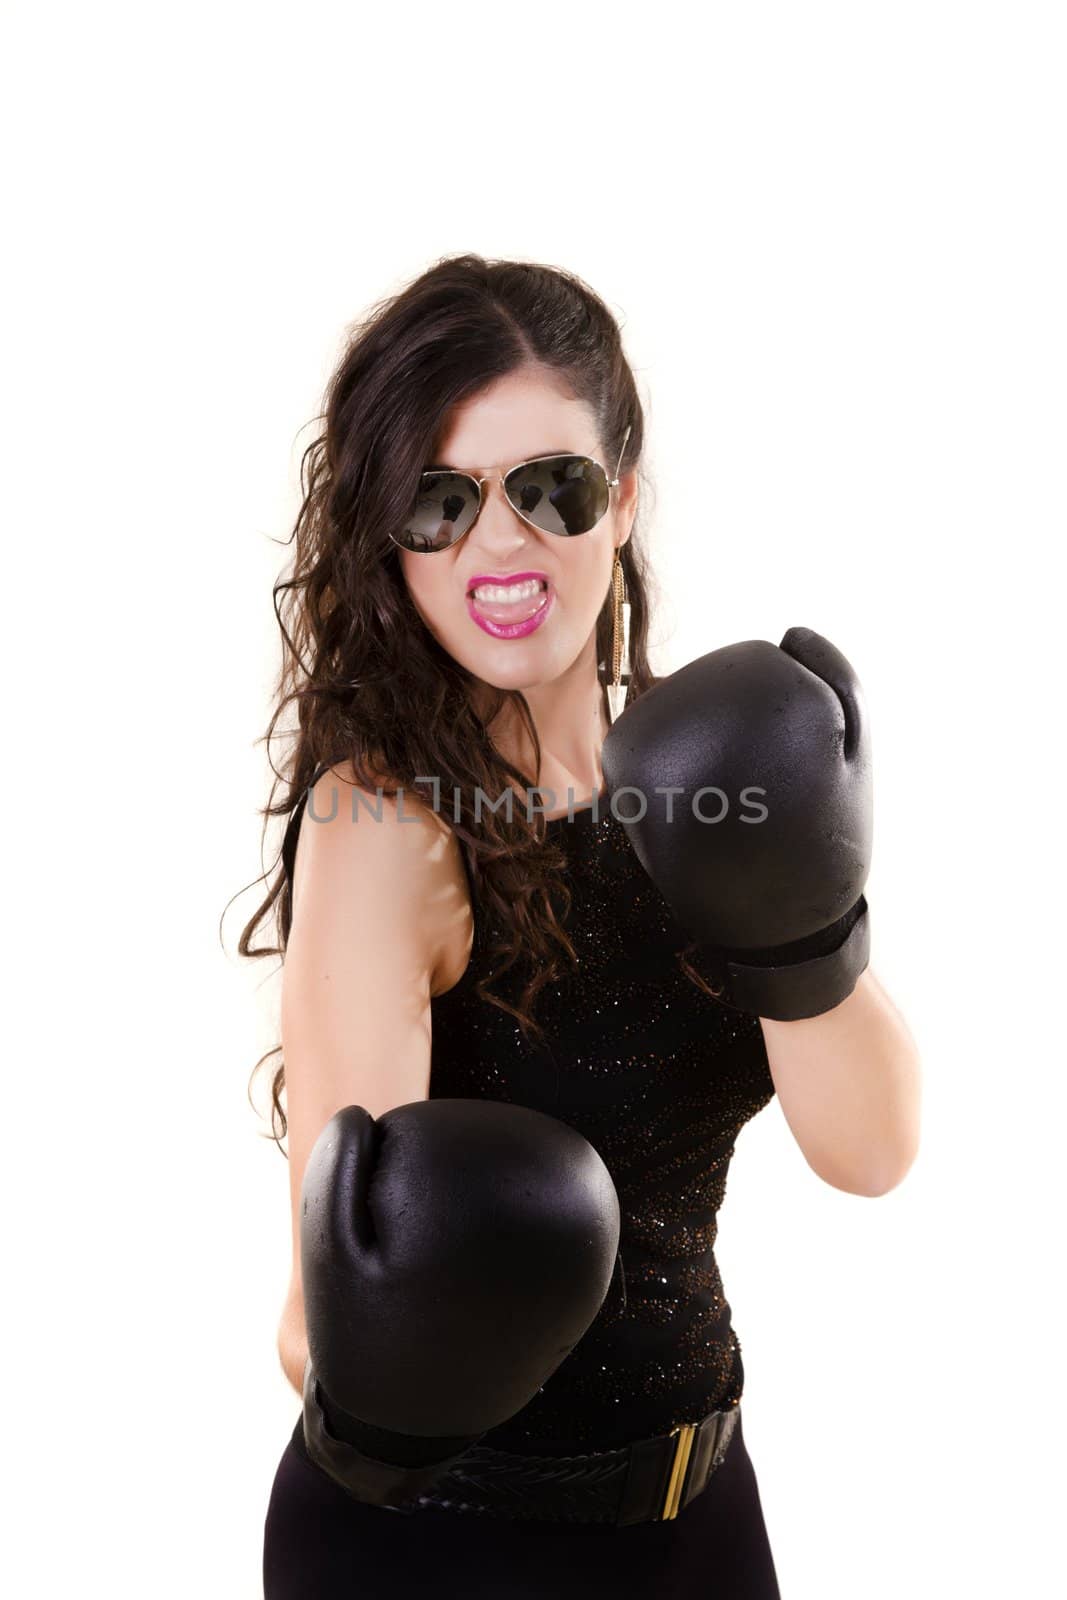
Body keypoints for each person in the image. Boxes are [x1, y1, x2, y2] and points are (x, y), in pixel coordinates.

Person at [245, 253, 921, 1598]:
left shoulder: (713, 770)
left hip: (699, 1508)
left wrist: (806, 926)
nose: (499, 543)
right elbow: (325, 1320)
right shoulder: (385, 824)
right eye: (439, 504)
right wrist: (430, 1315)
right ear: (393, 541)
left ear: (618, 501)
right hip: (437, 1539)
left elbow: (873, 1151)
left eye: (545, 489)